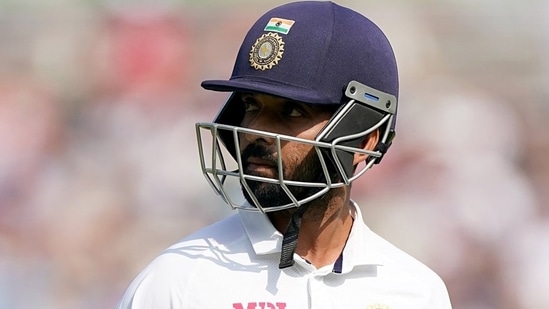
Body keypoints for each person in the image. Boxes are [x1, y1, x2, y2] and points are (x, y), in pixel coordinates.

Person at [116, 1, 453, 308]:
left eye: (291, 111)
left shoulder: (416, 292)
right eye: (250, 105)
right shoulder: (177, 282)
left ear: (364, 140)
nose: (255, 130)